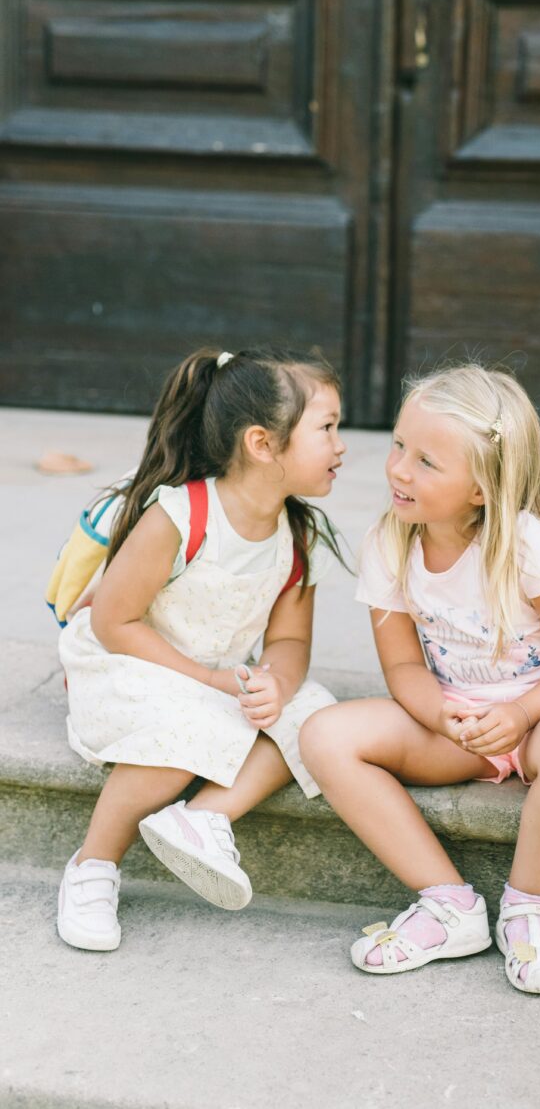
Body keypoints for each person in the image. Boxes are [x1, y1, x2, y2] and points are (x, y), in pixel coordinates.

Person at [300, 364, 540, 995]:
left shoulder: (528, 546)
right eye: (398, 445)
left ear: (480, 488)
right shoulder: (389, 543)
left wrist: (522, 715)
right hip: (459, 724)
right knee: (323, 736)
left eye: (426, 461)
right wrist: (439, 716)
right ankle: (449, 905)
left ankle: (526, 908)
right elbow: (403, 667)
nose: (398, 469)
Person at [57, 347, 347, 952]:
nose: (340, 446)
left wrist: (276, 682)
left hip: (216, 677)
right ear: (262, 444)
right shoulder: (181, 515)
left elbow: (290, 639)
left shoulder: (300, 534)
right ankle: (93, 865)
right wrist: (206, 680)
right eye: (326, 428)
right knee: (189, 725)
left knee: (316, 715)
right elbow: (113, 622)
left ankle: (204, 818)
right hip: (131, 664)